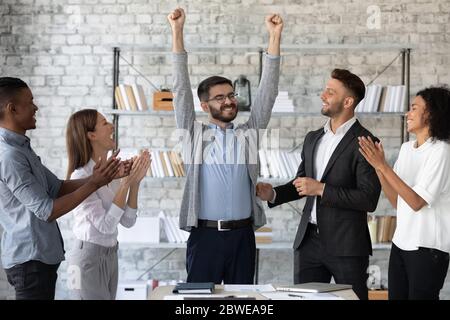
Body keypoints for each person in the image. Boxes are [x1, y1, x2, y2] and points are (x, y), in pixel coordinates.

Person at [167, 7, 283, 284]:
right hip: (205, 237)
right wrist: (177, 32)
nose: (229, 101)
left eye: (231, 95)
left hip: (243, 237)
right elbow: (180, 89)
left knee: (242, 302)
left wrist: (274, 37)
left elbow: (268, 92)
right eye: (220, 98)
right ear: (205, 105)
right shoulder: (193, 134)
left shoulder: (248, 133)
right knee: (199, 302)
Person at [256, 69, 381, 300]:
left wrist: (321, 189)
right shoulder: (313, 138)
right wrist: (272, 193)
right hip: (308, 243)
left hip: (347, 246)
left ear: (348, 101)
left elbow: (368, 198)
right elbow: (302, 183)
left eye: (330, 92)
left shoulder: (365, 141)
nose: (323, 95)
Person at [0, 77, 122, 300]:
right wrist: (94, 183)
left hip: (41, 260)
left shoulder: (23, 149)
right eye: (30, 102)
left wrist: (103, 178)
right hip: (30, 262)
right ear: (12, 109)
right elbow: (46, 210)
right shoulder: (10, 156)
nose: (36, 107)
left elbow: (57, 187)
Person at [358, 86, 450, 300]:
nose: (407, 114)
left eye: (414, 108)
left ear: (431, 113)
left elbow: (417, 202)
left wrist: (384, 166)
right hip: (400, 243)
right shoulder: (407, 149)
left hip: (428, 249)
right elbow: (399, 203)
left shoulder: (441, 152)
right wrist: (379, 168)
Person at [65, 109, 150, 300]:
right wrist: (126, 183)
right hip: (84, 259)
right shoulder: (80, 176)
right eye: (105, 123)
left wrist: (134, 182)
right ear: (91, 135)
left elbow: (128, 221)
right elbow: (105, 225)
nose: (112, 126)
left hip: (110, 255)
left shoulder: (111, 171)